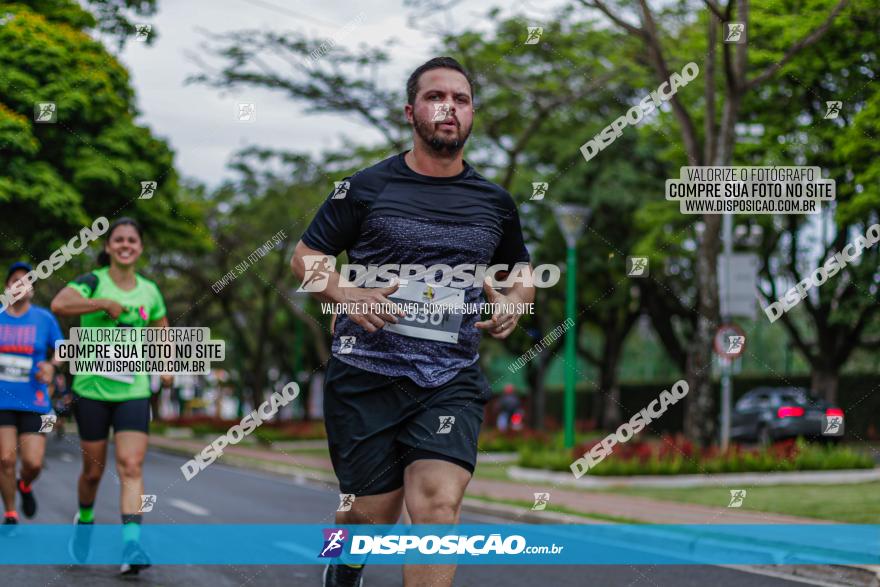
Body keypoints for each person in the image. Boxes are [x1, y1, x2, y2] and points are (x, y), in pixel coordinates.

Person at [291, 56, 535, 587]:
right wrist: (345, 292)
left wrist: (516, 299)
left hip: (449, 379)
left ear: (472, 115)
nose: (449, 107)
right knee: (367, 517)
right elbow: (305, 257)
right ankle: (344, 563)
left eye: (462, 99)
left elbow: (524, 271)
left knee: (438, 508)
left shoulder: (495, 202)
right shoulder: (363, 188)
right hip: (367, 377)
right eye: (435, 96)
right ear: (410, 111)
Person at [51, 217, 171, 575]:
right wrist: (102, 303)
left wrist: (166, 364)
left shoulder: (150, 290)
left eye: (131, 240)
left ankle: (131, 544)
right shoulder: (91, 282)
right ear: (108, 247)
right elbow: (60, 304)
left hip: (133, 390)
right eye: (118, 239)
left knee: (131, 466)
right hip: (91, 390)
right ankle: (84, 522)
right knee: (92, 473)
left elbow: (160, 328)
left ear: (140, 247)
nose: (125, 245)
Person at [0, 262, 64, 524]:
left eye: (26, 281)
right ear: (7, 287)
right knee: (5, 459)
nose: (20, 285)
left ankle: (25, 485)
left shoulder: (44, 318)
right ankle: (11, 512)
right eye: (15, 280)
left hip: (35, 401)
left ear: (33, 290)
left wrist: (51, 365)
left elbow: (63, 348)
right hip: (2, 400)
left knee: (33, 463)